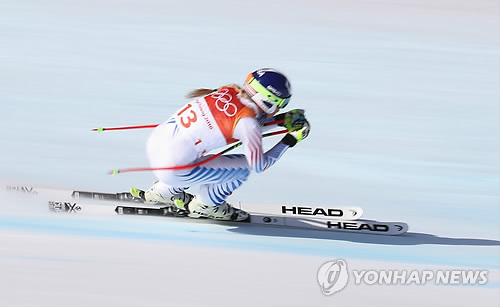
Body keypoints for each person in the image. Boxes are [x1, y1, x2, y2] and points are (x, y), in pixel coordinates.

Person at [131, 68, 310, 221]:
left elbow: (242, 126)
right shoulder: (248, 124)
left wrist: (281, 121)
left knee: (195, 154)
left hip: (156, 146)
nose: (281, 108)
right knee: (243, 168)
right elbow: (259, 165)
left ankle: (164, 192)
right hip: (173, 169)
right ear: (267, 101)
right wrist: (290, 140)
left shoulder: (227, 91)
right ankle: (206, 205)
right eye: (282, 104)